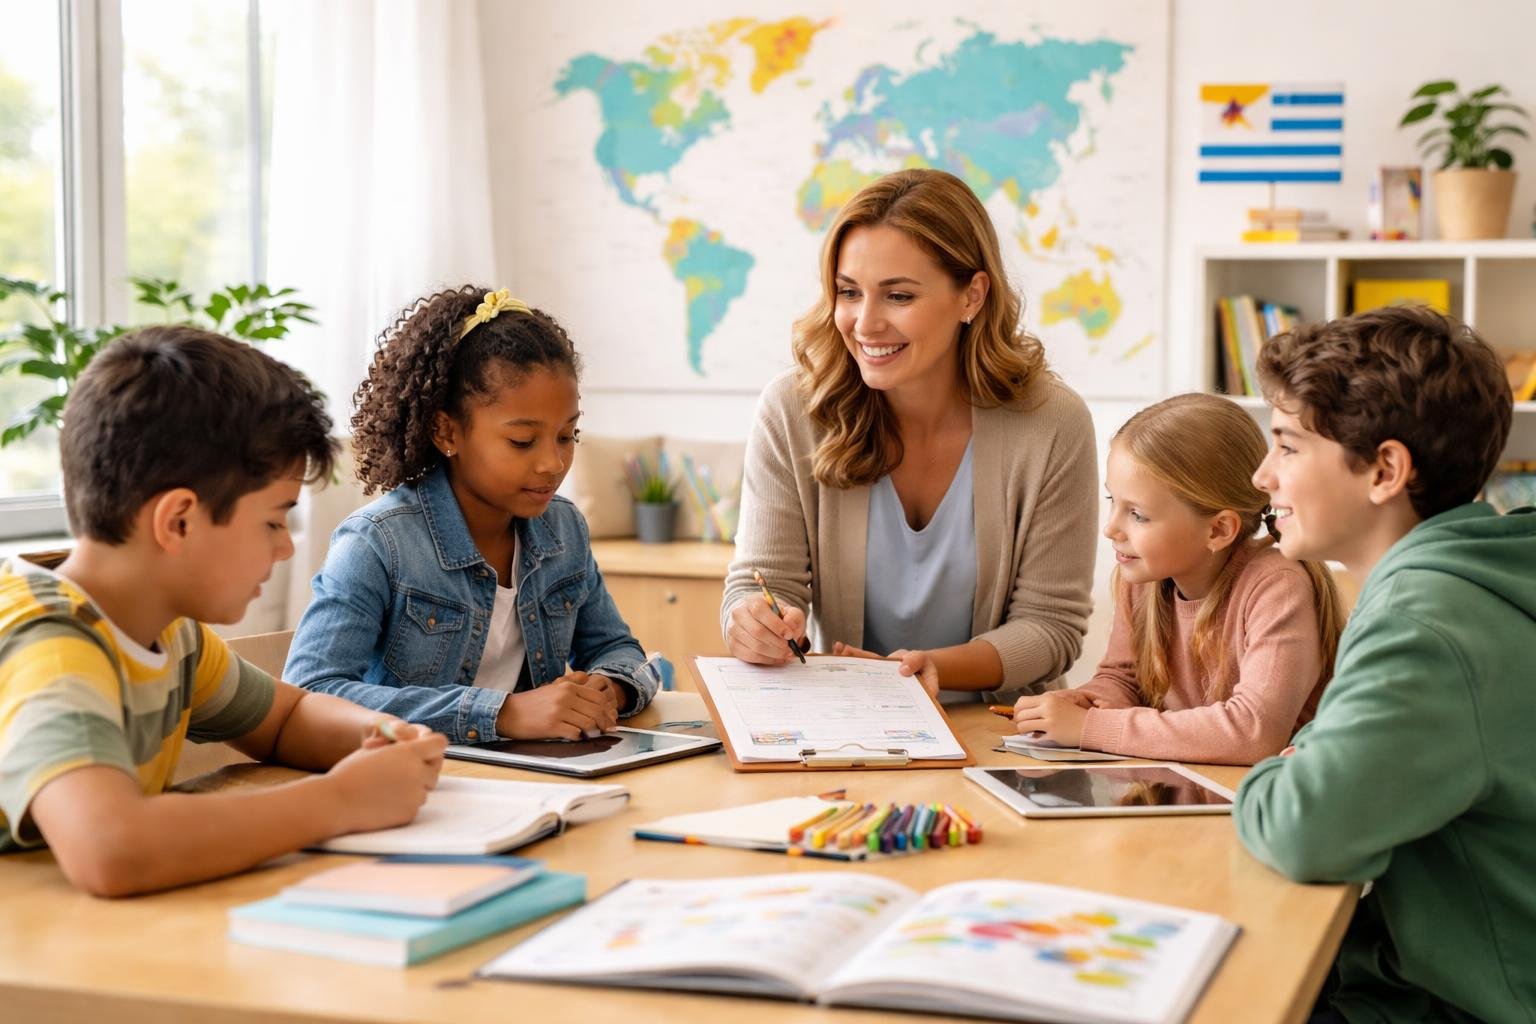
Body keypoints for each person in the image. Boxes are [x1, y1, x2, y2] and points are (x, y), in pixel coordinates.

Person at [0, 326, 445, 896]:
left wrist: (382, 736)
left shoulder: (172, 635)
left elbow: (284, 721)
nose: (286, 548)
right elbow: (111, 847)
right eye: (273, 520)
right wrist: (341, 801)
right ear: (179, 521)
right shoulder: (52, 648)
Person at [1234, 306, 1535, 1022]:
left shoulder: (1424, 624)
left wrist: (1273, 768)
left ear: (1385, 471)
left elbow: (1304, 830)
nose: (1261, 475)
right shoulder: (1477, 570)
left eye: (1288, 447)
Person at [721, 168, 1098, 700]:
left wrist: (931, 668)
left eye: (898, 296)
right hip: (849, 725)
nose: (865, 323)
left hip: (1001, 732)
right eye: (849, 292)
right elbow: (761, 582)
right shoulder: (792, 410)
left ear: (972, 296)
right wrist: (754, 622)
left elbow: (1051, 625)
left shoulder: (1053, 422)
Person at [285, 287, 654, 743]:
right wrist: (502, 714)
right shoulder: (378, 544)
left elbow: (618, 649)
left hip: (533, 777)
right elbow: (309, 694)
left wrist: (609, 688)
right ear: (447, 432)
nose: (552, 464)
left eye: (566, 436)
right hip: (410, 781)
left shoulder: (564, 529)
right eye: (522, 441)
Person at [1012, 394, 1344, 765]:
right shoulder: (1142, 575)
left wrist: (1092, 727)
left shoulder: (1277, 586)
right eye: (1113, 500)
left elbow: (1254, 733)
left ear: (1218, 529)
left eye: (1137, 514)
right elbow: (1124, 680)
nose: (1110, 529)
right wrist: (1086, 702)